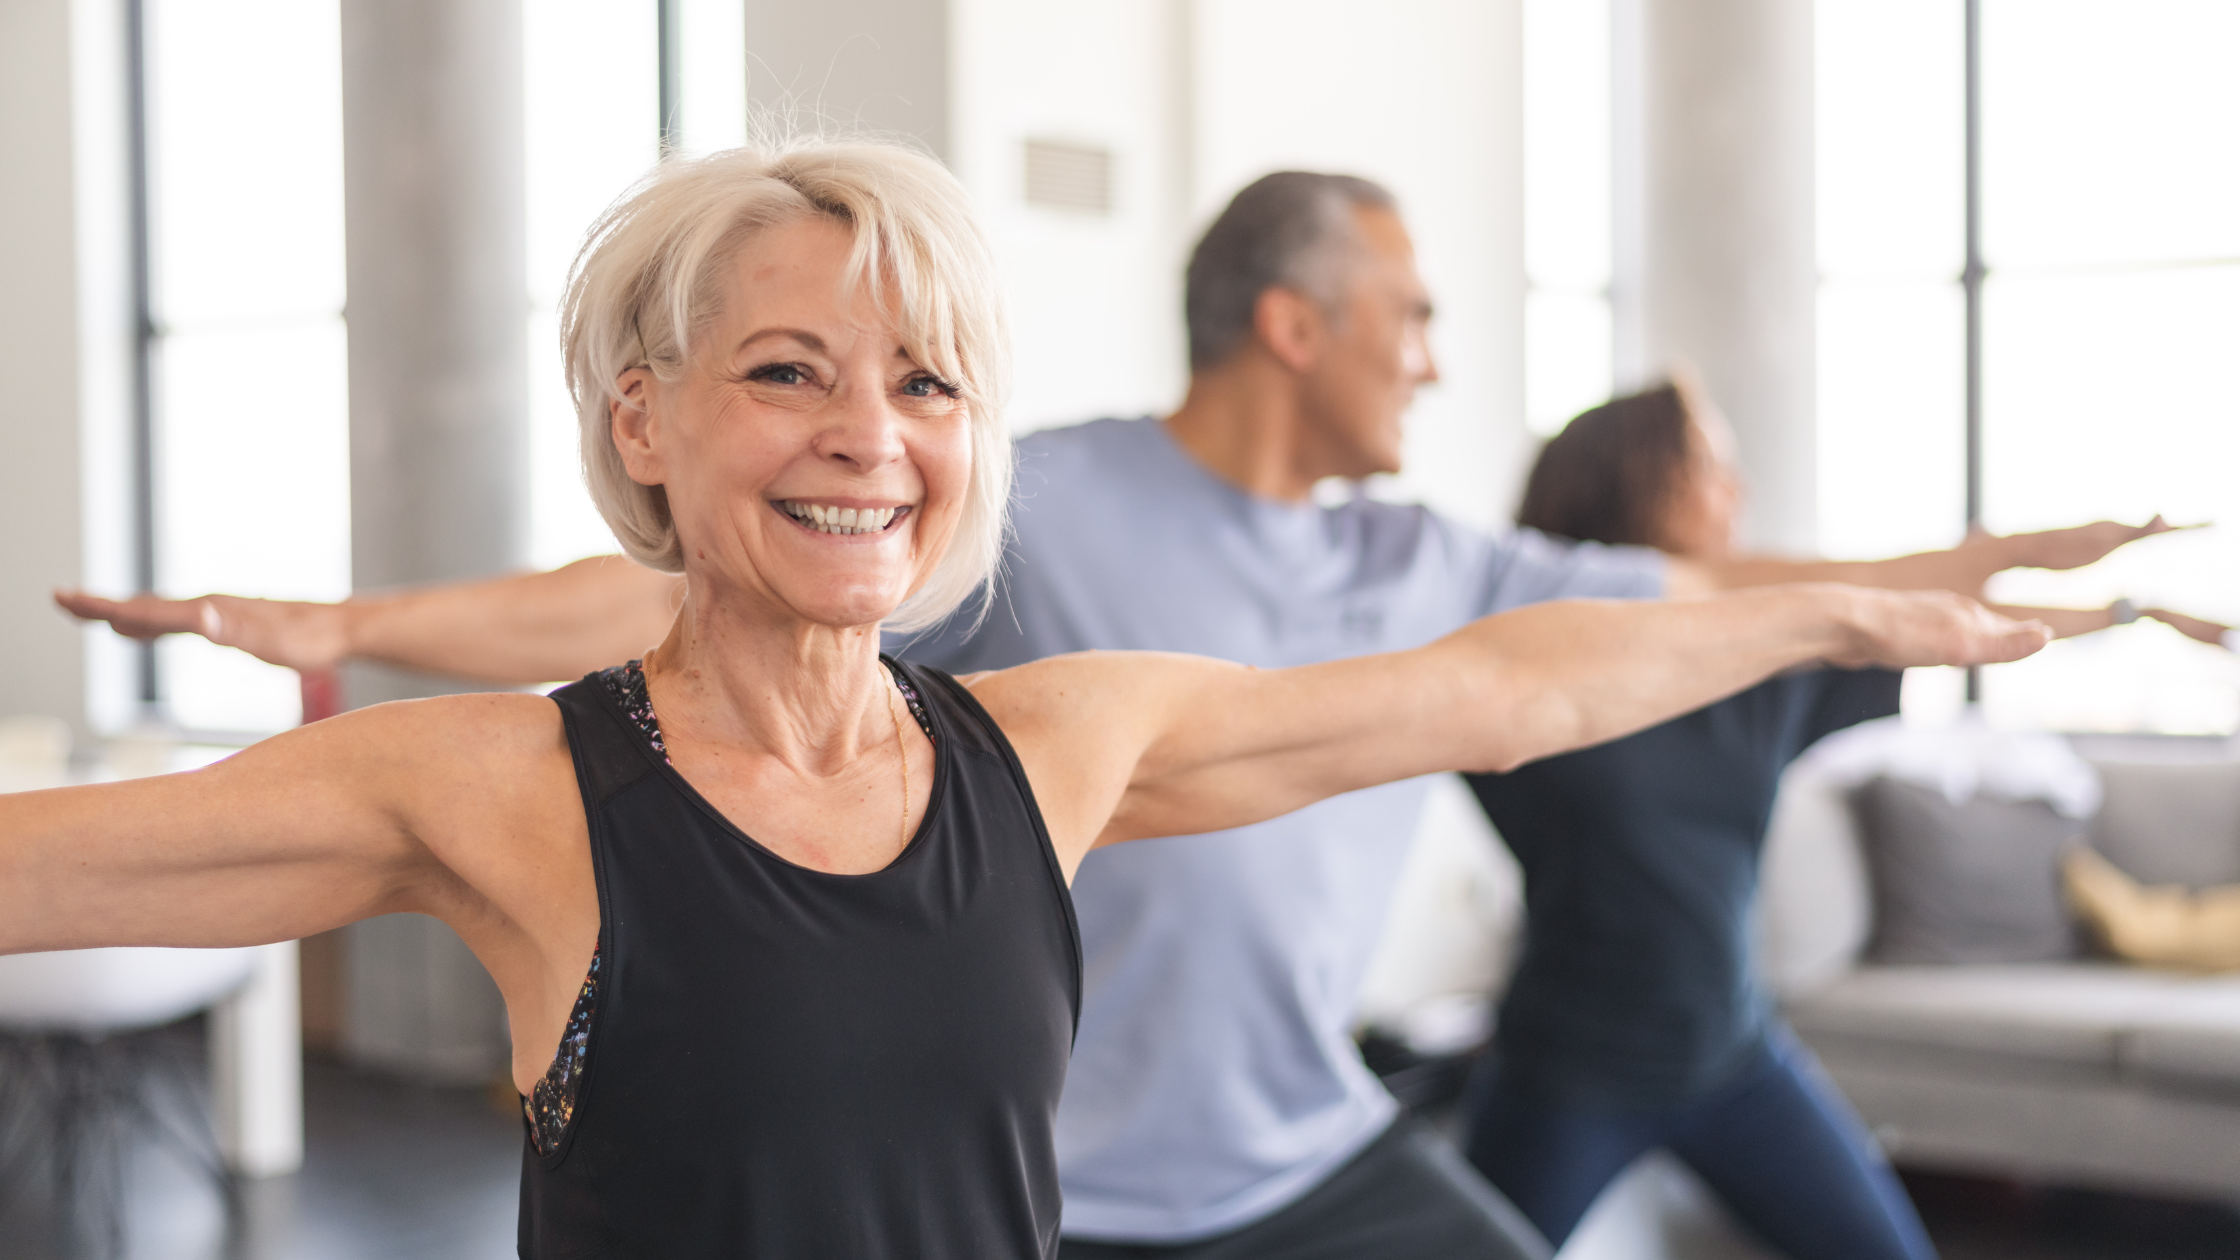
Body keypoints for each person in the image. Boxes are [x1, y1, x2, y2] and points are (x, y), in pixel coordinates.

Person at [55, 168, 2161, 1259]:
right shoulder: (509, 786)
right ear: (650, 422)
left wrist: (1841, 620)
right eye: (787, 369)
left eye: (925, 381)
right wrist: (330, 615)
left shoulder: (1059, 743)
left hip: (1297, 1158)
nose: (867, 435)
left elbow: (1505, 688)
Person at [1460, 380, 2204, 1260]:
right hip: (1567, 1074)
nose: (1735, 492)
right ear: (1628, 483)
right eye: (1708, 467)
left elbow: (1944, 619)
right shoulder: (1525, 675)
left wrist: (2131, 612)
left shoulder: (1766, 665)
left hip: (1736, 1062)